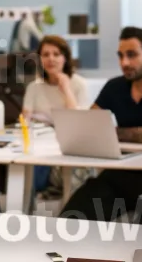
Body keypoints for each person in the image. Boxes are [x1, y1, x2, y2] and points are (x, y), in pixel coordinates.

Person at [59, 26, 142, 222]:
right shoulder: (115, 86)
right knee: (73, 217)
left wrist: (114, 132)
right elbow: (89, 127)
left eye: (132, 55)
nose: (124, 62)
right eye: (121, 56)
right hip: (122, 171)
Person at [22, 35, 90, 196]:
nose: (50, 59)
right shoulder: (34, 87)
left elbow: (80, 122)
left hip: (69, 148)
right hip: (40, 147)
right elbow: (25, 121)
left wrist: (66, 88)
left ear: (65, 58)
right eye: (45, 55)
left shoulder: (78, 84)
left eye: (56, 54)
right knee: (28, 179)